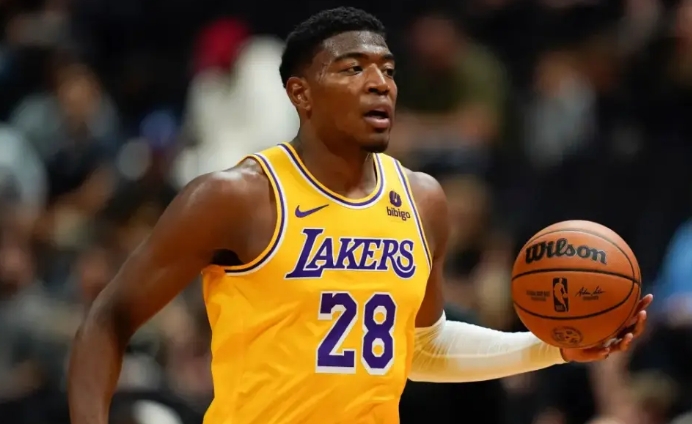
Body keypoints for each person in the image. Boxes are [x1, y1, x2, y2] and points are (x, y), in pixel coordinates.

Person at [67, 7, 653, 424]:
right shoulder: (237, 196)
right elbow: (108, 319)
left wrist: (555, 345)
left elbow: (422, 348)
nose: (379, 85)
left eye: (388, 70)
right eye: (353, 69)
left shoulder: (422, 199)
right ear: (300, 94)